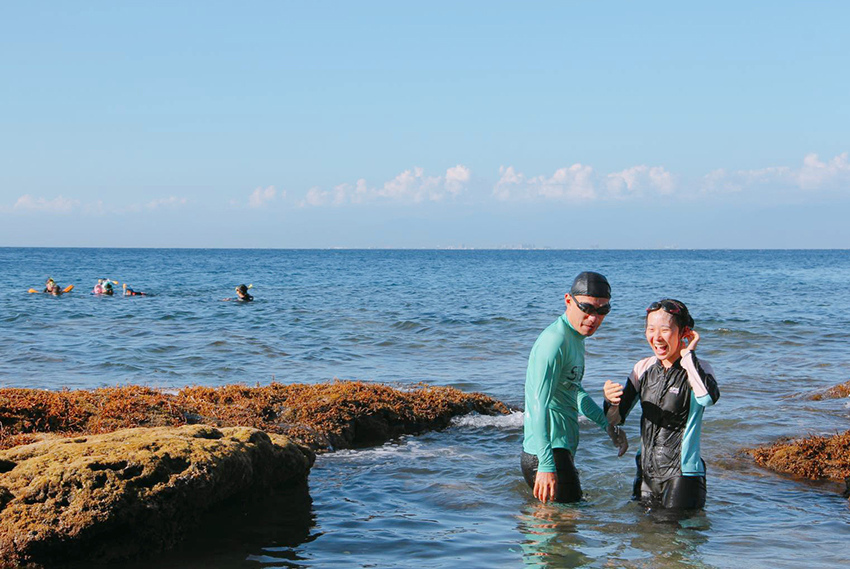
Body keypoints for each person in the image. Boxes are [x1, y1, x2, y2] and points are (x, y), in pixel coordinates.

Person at [522, 271, 628, 504]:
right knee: (567, 528)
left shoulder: (575, 338)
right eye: (587, 308)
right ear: (569, 300)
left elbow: (574, 390)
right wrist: (547, 465)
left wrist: (606, 425)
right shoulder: (555, 341)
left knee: (557, 529)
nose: (594, 318)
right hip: (547, 454)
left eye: (603, 311)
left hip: (559, 451)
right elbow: (537, 404)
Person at [603, 299, 720, 509]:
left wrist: (689, 356)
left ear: (684, 332)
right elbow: (616, 418)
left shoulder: (699, 368)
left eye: (665, 330)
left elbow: (707, 398)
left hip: (682, 475)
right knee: (643, 537)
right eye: (650, 329)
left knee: (674, 537)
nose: (656, 337)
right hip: (646, 475)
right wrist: (609, 401)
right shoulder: (643, 368)